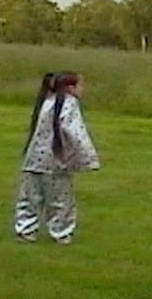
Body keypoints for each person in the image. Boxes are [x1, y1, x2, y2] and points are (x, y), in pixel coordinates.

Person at [13, 72, 100, 244]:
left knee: (30, 197)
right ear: (70, 87)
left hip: (33, 159)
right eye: (80, 85)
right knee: (60, 200)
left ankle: (25, 230)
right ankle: (61, 232)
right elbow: (74, 132)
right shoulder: (68, 104)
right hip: (56, 161)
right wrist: (88, 158)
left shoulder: (46, 101)